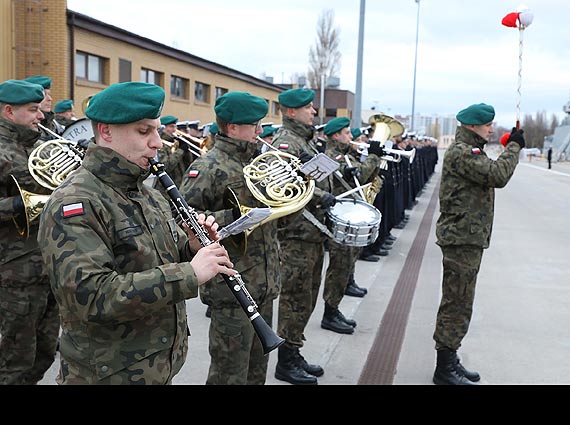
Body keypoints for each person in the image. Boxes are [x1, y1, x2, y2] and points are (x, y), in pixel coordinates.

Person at [37, 81, 235, 385]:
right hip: (106, 374)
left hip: (155, 365)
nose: (157, 142)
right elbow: (93, 297)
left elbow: (150, 257)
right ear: (105, 131)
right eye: (144, 132)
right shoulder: (75, 203)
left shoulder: (148, 193)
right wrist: (190, 273)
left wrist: (191, 248)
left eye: (156, 130)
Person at [179, 91, 280, 385]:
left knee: (256, 371)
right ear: (233, 127)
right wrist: (235, 217)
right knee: (229, 375)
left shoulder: (256, 164)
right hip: (232, 288)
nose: (261, 131)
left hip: (263, 282)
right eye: (255, 125)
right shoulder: (207, 167)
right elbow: (184, 218)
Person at [432, 103, 525, 385]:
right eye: (488, 125)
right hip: (461, 239)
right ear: (472, 126)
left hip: (467, 238)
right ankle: (444, 368)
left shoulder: (472, 151)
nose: (492, 129)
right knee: (456, 303)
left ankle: (450, 357)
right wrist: (514, 148)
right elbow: (498, 176)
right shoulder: (463, 152)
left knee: (461, 301)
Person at [270, 88, 337, 385]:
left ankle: (294, 350)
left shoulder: (303, 140)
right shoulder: (286, 141)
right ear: (291, 111)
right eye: (308, 108)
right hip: (295, 235)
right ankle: (286, 360)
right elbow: (284, 182)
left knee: (306, 296)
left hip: (310, 233)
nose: (314, 112)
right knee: (294, 298)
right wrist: (321, 196)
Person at [0, 79, 60, 385]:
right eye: (32, 110)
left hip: (47, 266)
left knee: (45, 352)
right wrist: (22, 204)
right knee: (14, 360)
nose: (40, 116)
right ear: (9, 111)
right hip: (13, 272)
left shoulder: (37, 145)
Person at [319, 118, 387, 335]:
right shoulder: (333, 156)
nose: (351, 137)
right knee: (338, 266)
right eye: (347, 133)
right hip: (341, 218)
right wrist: (374, 156)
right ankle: (330, 312)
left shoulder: (346, 155)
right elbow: (363, 172)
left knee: (345, 263)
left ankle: (334, 308)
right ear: (336, 136)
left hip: (350, 215)